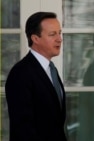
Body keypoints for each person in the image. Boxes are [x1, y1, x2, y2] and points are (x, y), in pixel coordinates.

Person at [5, 12, 68, 141]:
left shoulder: (52, 70)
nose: (59, 39)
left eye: (59, 33)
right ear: (35, 39)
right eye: (52, 34)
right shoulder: (20, 74)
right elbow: (23, 130)